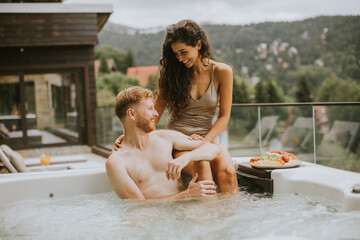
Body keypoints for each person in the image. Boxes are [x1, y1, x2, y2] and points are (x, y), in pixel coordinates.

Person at [114, 19, 238, 193]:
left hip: (206, 137)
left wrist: (204, 141)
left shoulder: (222, 72)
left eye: (183, 52)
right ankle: (208, 218)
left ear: (198, 45)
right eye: (175, 54)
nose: (179, 58)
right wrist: (130, 135)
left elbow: (224, 117)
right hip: (176, 140)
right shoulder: (171, 74)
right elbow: (154, 113)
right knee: (202, 168)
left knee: (228, 172)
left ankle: (231, 218)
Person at [106, 86, 220, 200]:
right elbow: (137, 206)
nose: (156, 113)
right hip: (156, 216)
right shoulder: (116, 162)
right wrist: (187, 195)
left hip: (184, 211)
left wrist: (186, 158)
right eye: (150, 108)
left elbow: (212, 149)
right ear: (131, 114)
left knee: (202, 160)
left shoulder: (164, 137)